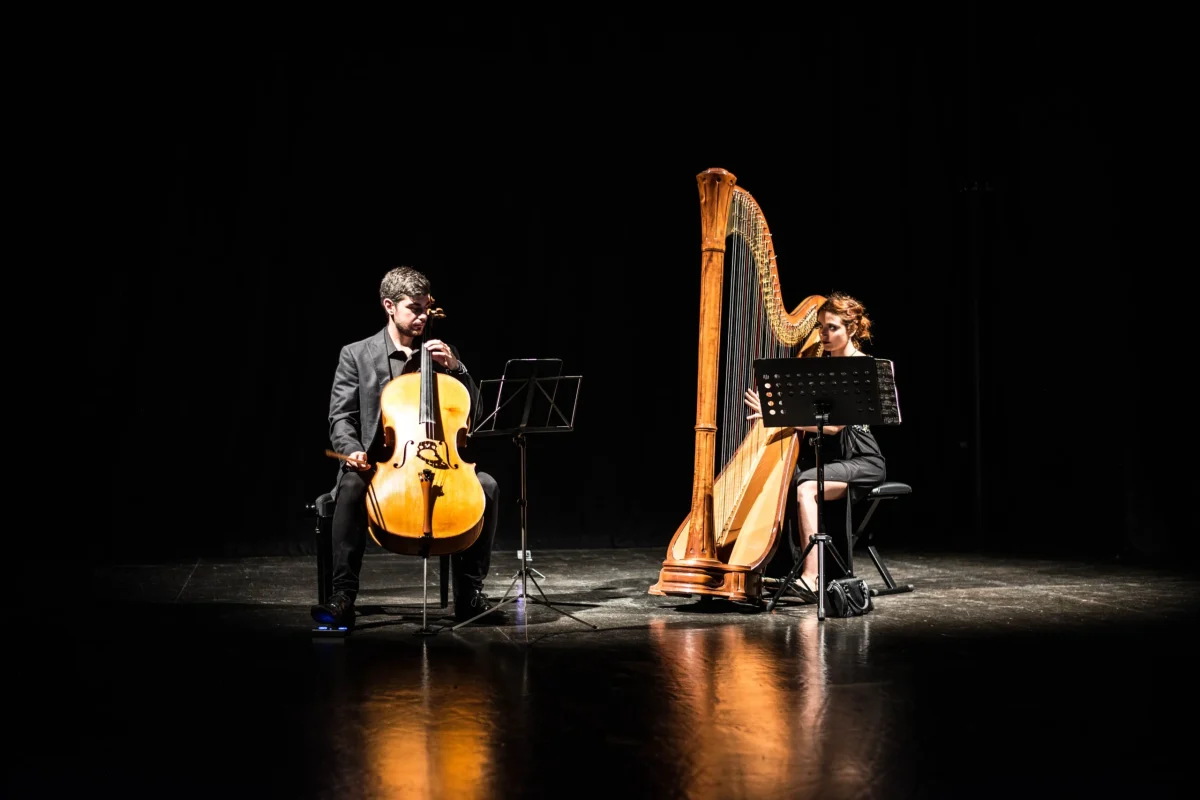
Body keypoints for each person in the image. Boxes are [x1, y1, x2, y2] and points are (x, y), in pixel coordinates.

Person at [311, 266, 500, 627]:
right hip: (379, 466)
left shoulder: (442, 354)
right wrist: (351, 449)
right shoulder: (356, 354)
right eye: (414, 308)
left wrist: (458, 369)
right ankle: (343, 597)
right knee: (350, 485)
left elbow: (476, 413)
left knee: (487, 487)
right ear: (389, 306)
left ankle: (470, 594)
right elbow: (341, 417)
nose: (423, 316)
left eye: (427, 308)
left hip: (435, 462)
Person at [744, 291, 886, 591]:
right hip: (833, 461)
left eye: (831, 327)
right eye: (820, 326)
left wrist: (776, 415)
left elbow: (833, 428)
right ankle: (778, 566)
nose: (823, 333)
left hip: (861, 460)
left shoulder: (861, 367)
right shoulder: (819, 367)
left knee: (807, 485)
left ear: (852, 329)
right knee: (790, 478)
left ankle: (813, 577)